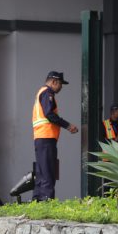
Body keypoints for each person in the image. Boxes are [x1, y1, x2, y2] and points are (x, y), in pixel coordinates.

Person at [31, 71, 78, 201]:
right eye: (60, 84)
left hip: (41, 138)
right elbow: (49, 114)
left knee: (41, 172)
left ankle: (37, 202)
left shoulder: (41, 92)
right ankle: (46, 203)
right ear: (54, 82)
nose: (61, 87)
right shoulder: (47, 92)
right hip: (46, 137)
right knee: (48, 172)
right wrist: (68, 125)